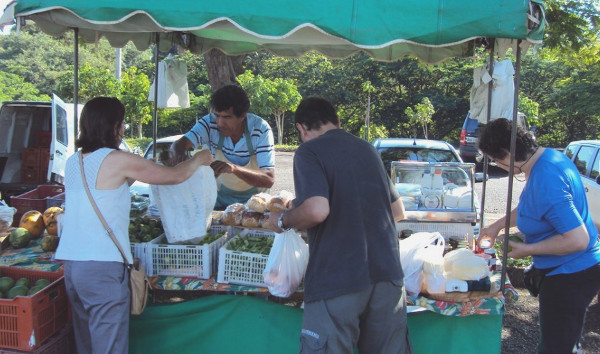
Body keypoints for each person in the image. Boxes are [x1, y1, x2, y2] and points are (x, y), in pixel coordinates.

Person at [55, 97, 212, 354]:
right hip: (101, 268)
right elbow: (174, 177)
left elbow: (104, 190)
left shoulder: (75, 161)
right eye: (122, 123)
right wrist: (198, 160)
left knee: (86, 344)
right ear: (114, 126)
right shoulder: (117, 159)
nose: (124, 128)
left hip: (73, 267)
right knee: (109, 346)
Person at [268, 97, 412, 353]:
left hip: (337, 276)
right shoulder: (367, 149)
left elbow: (316, 210)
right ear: (337, 121)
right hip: (387, 276)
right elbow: (397, 211)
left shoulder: (308, 152)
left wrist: (283, 219)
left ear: (301, 128)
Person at [478, 118, 600, 354]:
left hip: (572, 273)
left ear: (508, 154)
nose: (496, 165)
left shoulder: (547, 178)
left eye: (495, 160)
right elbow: (530, 208)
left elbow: (578, 239)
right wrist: (496, 226)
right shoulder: (546, 159)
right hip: (568, 270)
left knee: (556, 347)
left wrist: (527, 250)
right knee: (563, 340)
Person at [171, 84, 275, 209]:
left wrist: (234, 169)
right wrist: (178, 158)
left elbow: (268, 179)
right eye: (217, 115)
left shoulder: (260, 129)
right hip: (220, 203)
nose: (220, 123)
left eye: (227, 117)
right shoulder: (209, 123)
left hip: (256, 205)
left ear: (242, 116)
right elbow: (179, 145)